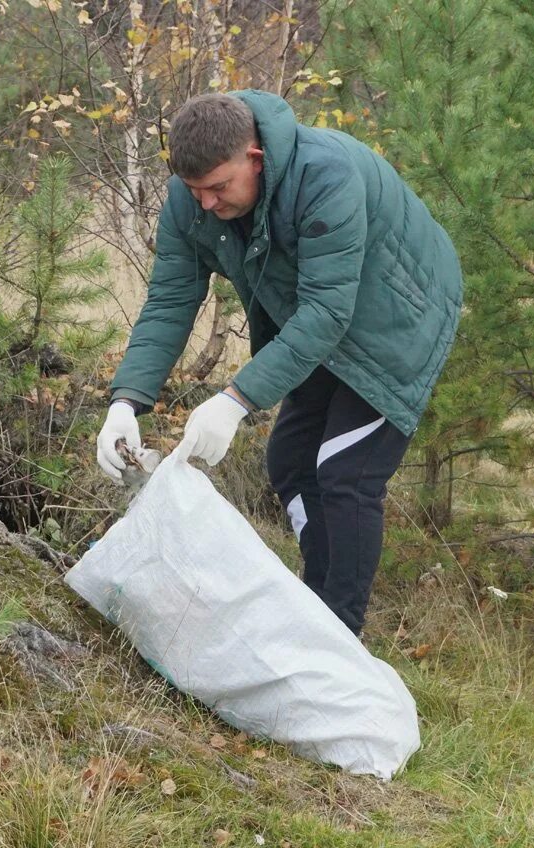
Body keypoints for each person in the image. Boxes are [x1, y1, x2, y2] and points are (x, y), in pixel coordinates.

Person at [96, 90, 462, 636]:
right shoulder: (191, 199)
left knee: (345, 472)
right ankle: (316, 608)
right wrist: (125, 402)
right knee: (291, 462)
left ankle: (340, 637)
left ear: (256, 158)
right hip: (315, 310)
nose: (206, 205)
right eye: (195, 191)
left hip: (400, 315)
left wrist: (235, 400)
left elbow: (327, 313)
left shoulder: (326, 176)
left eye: (219, 188)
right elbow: (171, 300)